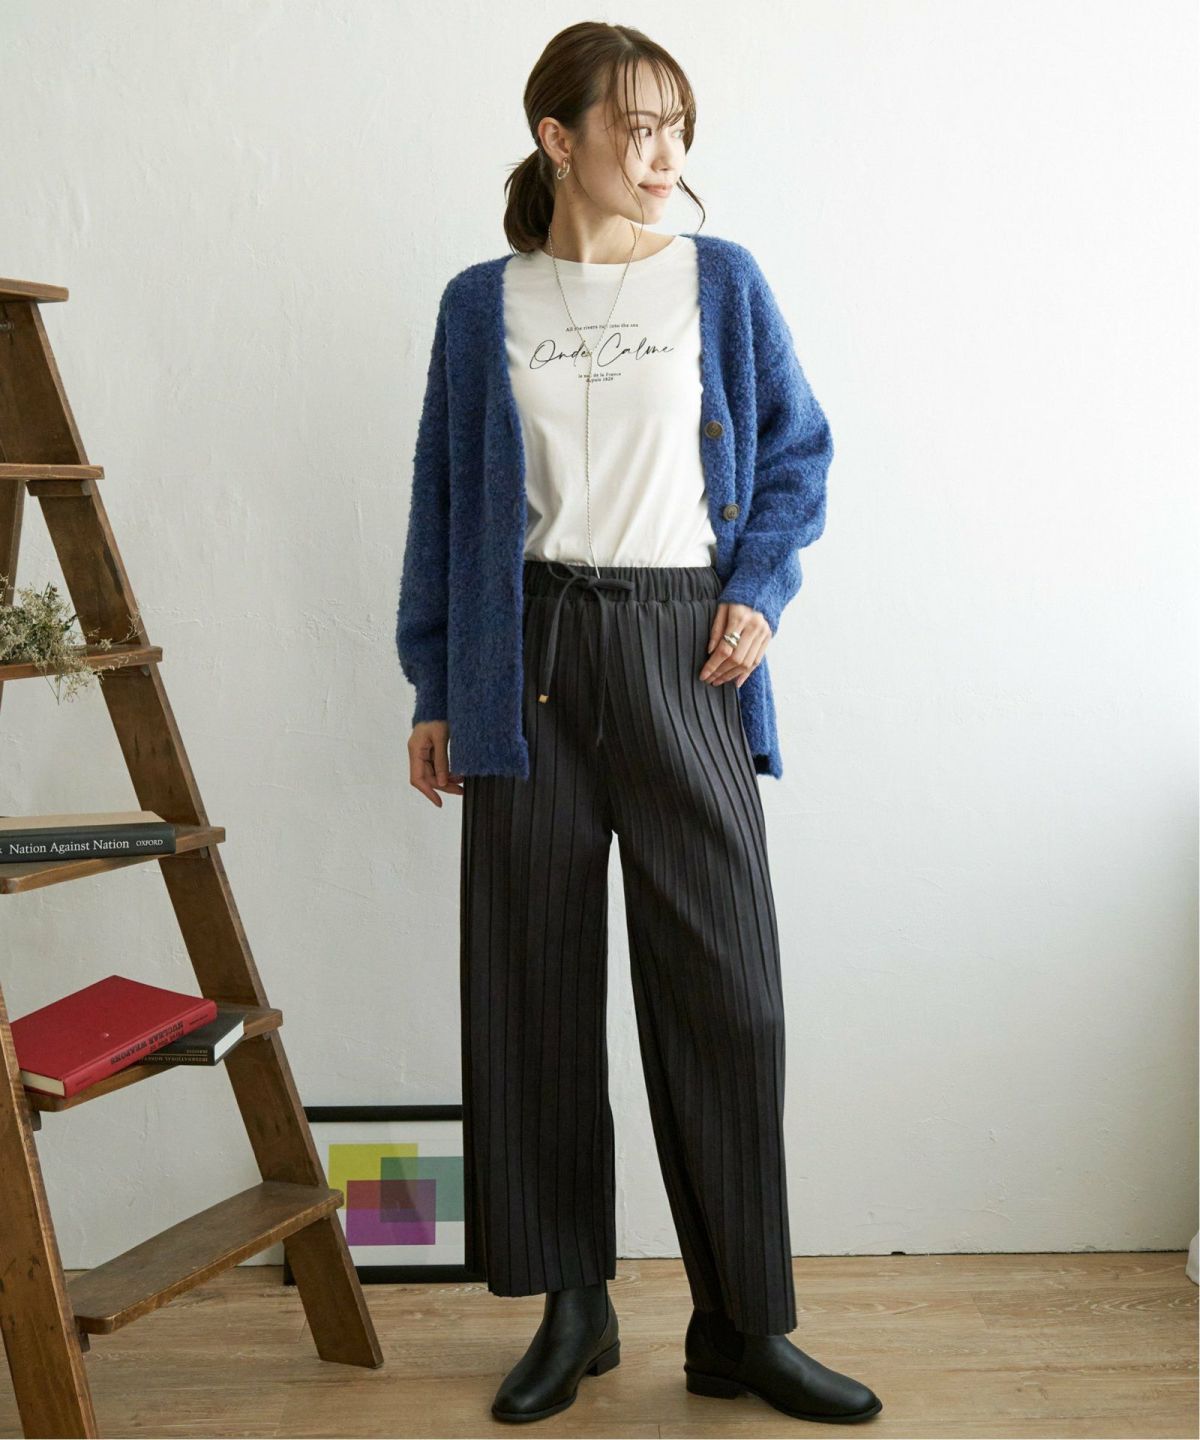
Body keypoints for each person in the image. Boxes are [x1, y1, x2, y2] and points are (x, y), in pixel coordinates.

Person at [396, 19, 882, 1427]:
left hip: (687, 653)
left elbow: (796, 455)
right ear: (559, 139)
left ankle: (743, 1325)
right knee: (533, 989)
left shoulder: (720, 282)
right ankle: (574, 1307)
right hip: (528, 660)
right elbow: (445, 506)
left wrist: (759, 592)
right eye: (635, 125)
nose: (663, 152)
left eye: (677, 126)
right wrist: (436, 686)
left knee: (728, 994)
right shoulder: (480, 305)